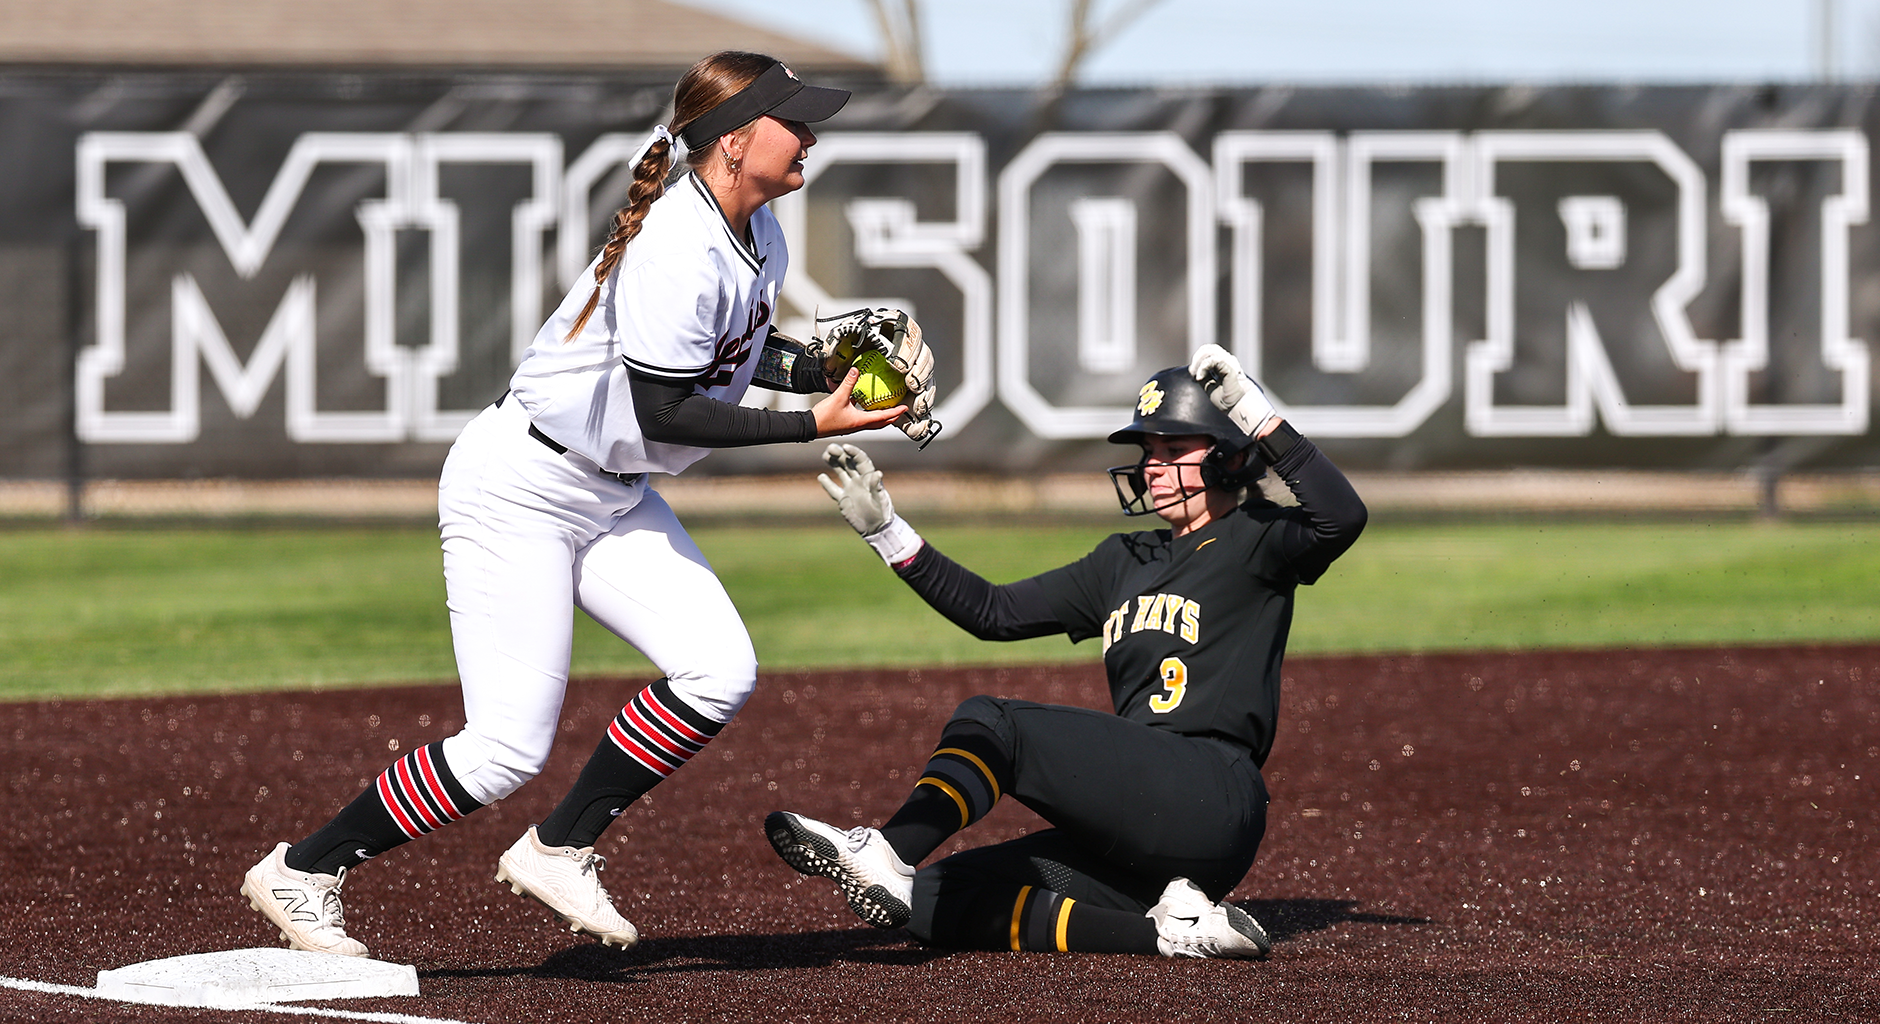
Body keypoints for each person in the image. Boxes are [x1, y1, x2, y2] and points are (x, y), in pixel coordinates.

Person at [241, 51, 933, 958]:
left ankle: (560, 848)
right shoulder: (677, 243)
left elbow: (729, 350)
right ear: (732, 143)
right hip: (521, 486)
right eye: (792, 121)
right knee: (502, 751)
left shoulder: (760, 235)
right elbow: (664, 407)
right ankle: (303, 869)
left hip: (611, 491)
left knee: (718, 668)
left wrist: (821, 370)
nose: (810, 136)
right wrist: (813, 419)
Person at [765, 347, 1366, 959]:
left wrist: (1252, 410)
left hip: (1214, 794)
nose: (1151, 468)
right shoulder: (1123, 560)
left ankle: (885, 852)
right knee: (934, 899)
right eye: (1146, 453)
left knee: (994, 721)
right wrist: (887, 531)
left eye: (1172, 450)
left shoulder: (1255, 537)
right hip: (1138, 827)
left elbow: (1342, 516)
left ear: (1229, 456)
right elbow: (992, 613)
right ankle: (1172, 933)